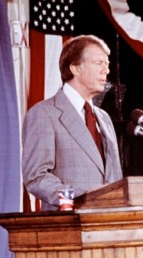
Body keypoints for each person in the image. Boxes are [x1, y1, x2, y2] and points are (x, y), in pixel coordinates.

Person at [22, 34, 123, 211]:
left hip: (108, 225)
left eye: (107, 65)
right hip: (69, 225)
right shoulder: (44, 114)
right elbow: (35, 176)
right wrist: (76, 198)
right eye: (99, 63)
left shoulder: (104, 118)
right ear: (75, 68)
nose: (106, 71)